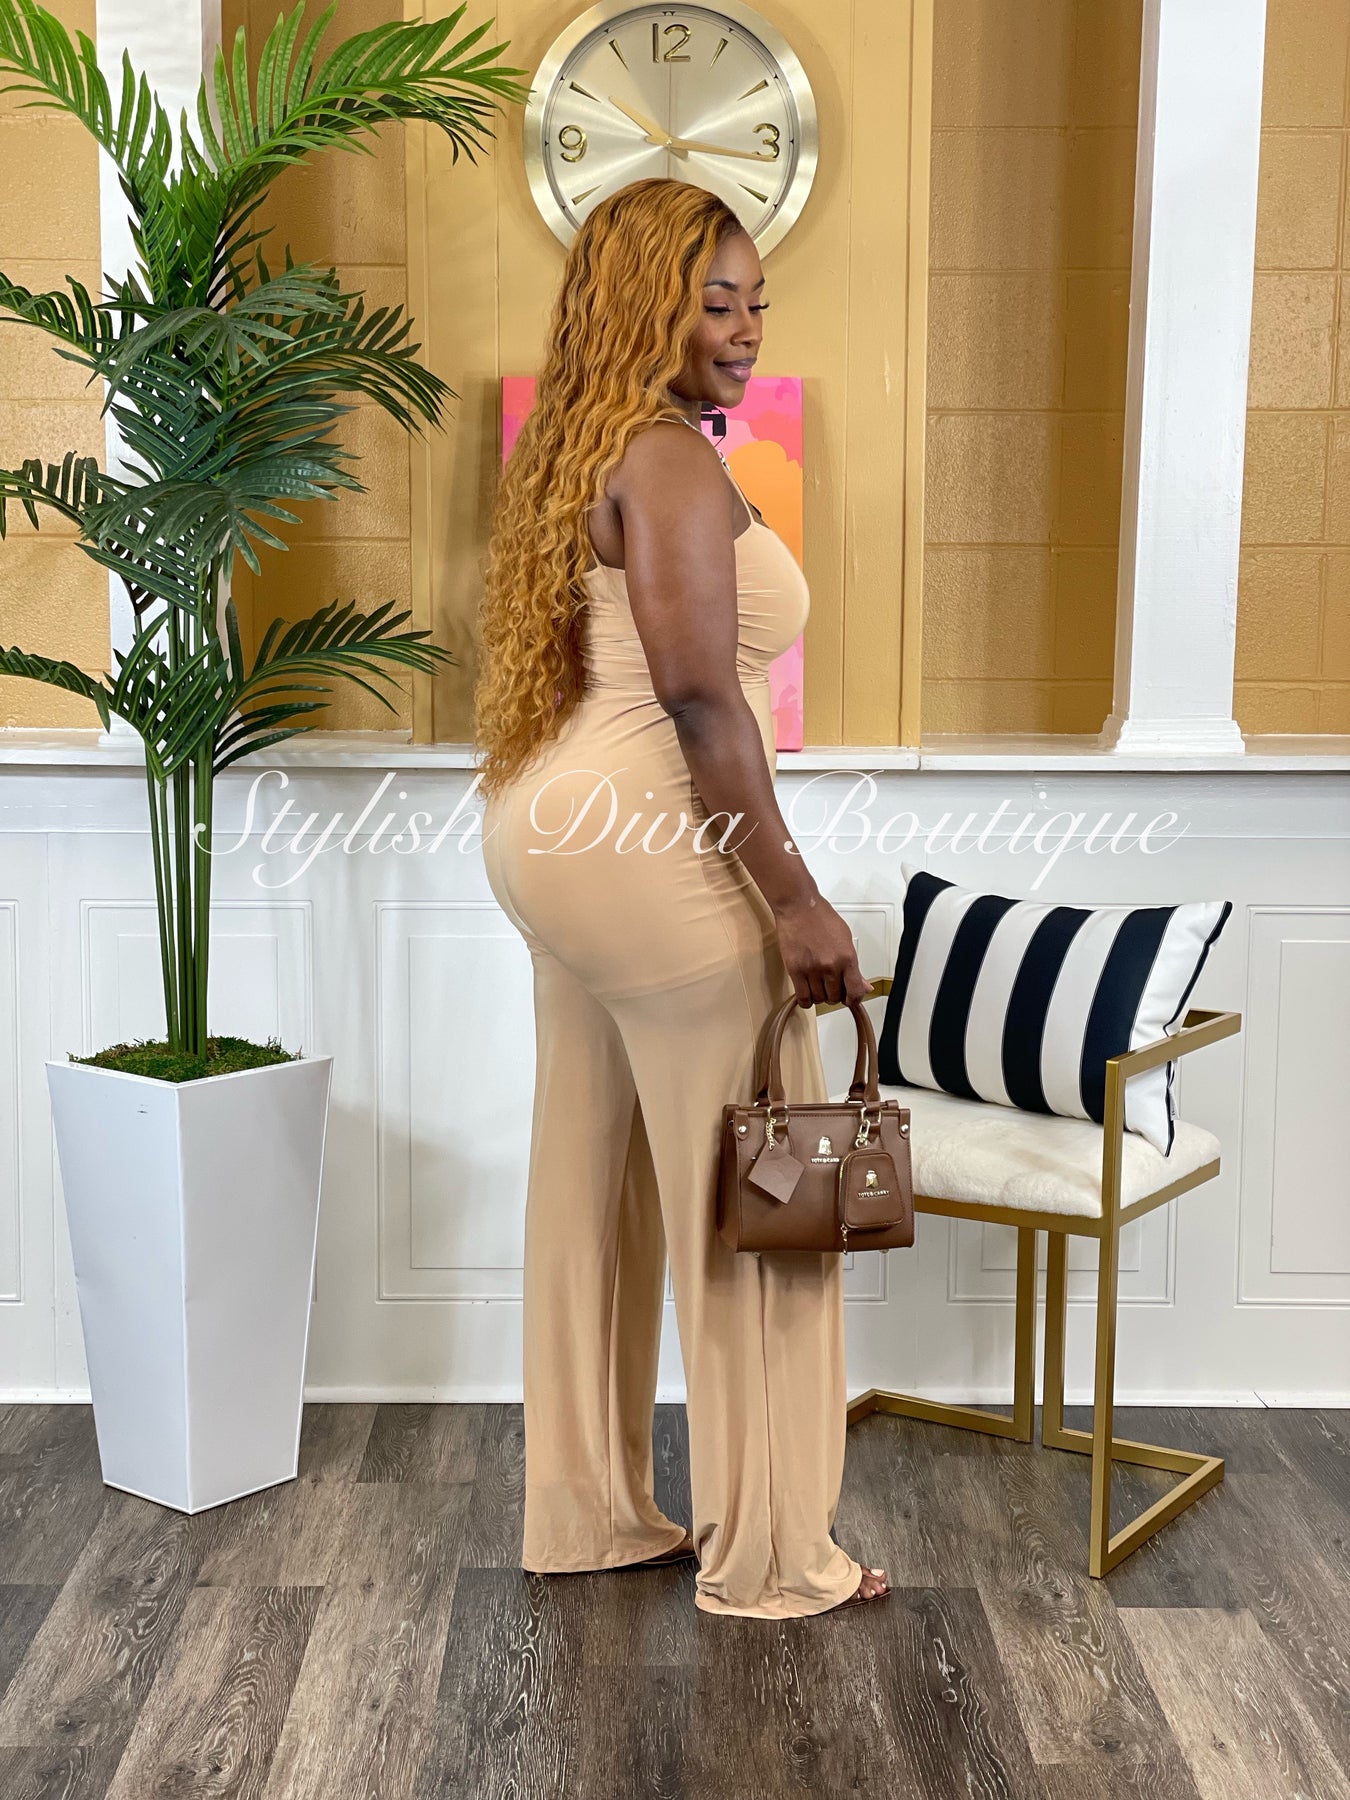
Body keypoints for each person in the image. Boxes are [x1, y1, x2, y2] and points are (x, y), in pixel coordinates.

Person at [473, 177, 890, 1619]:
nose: (745, 329)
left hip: (557, 833)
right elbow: (705, 701)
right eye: (716, 303)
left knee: (590, 1175)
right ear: (645, 303)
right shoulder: (663, 459)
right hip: (649, 843)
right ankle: (774, 1555)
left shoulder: (583, 446)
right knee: (753, 1198)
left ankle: (588, 1511)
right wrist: (797, 901)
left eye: (756, 302)